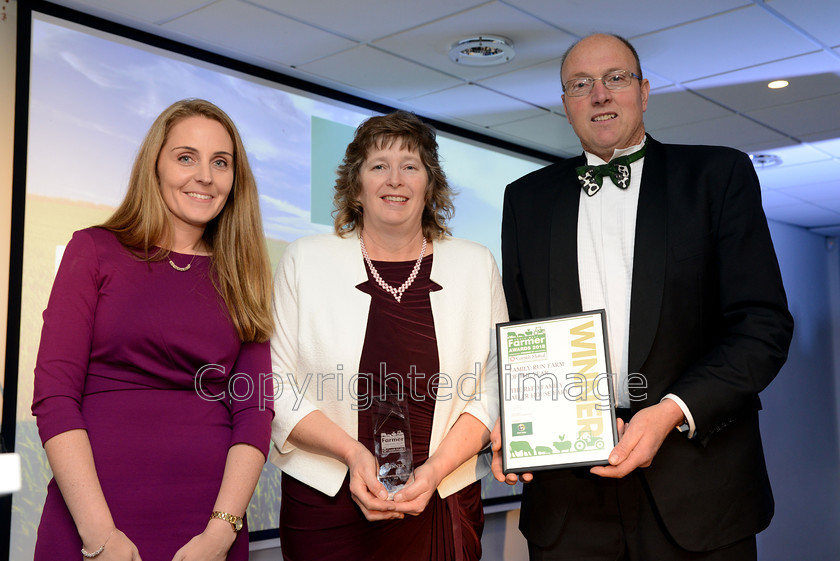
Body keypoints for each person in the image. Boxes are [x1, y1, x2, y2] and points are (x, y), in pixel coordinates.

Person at [491, 33, 793, 560]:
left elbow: (762, 326)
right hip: (568, 498)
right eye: (580, 84)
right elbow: (522, 330)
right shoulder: (526, 200)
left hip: (698, 488)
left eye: (616, 78)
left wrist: (670, 412)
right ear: (565, 105)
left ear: (644, 91)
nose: (600, 94)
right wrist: (512, 419)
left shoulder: (717, 176)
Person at [31, 98, 274, 560]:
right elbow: (55, 396)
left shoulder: (244, 274)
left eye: (220, 162)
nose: (205, 175)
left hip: (207, 531)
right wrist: (99, 536)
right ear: (155, 165)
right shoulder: (94, 251)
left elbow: (254, 411)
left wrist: (219, 536)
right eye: (186, 157)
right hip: (92, 523)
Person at [270, 110, 507, 560]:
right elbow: (277, 383)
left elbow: (495, 383)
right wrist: (353, 455)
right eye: (379, 165)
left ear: (429, 183)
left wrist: (435, 470)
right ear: (356, 185)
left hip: (440, 493)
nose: (394, 179)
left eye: (410, 166)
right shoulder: (305, 260)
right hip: (326, 497)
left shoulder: (476, 264)